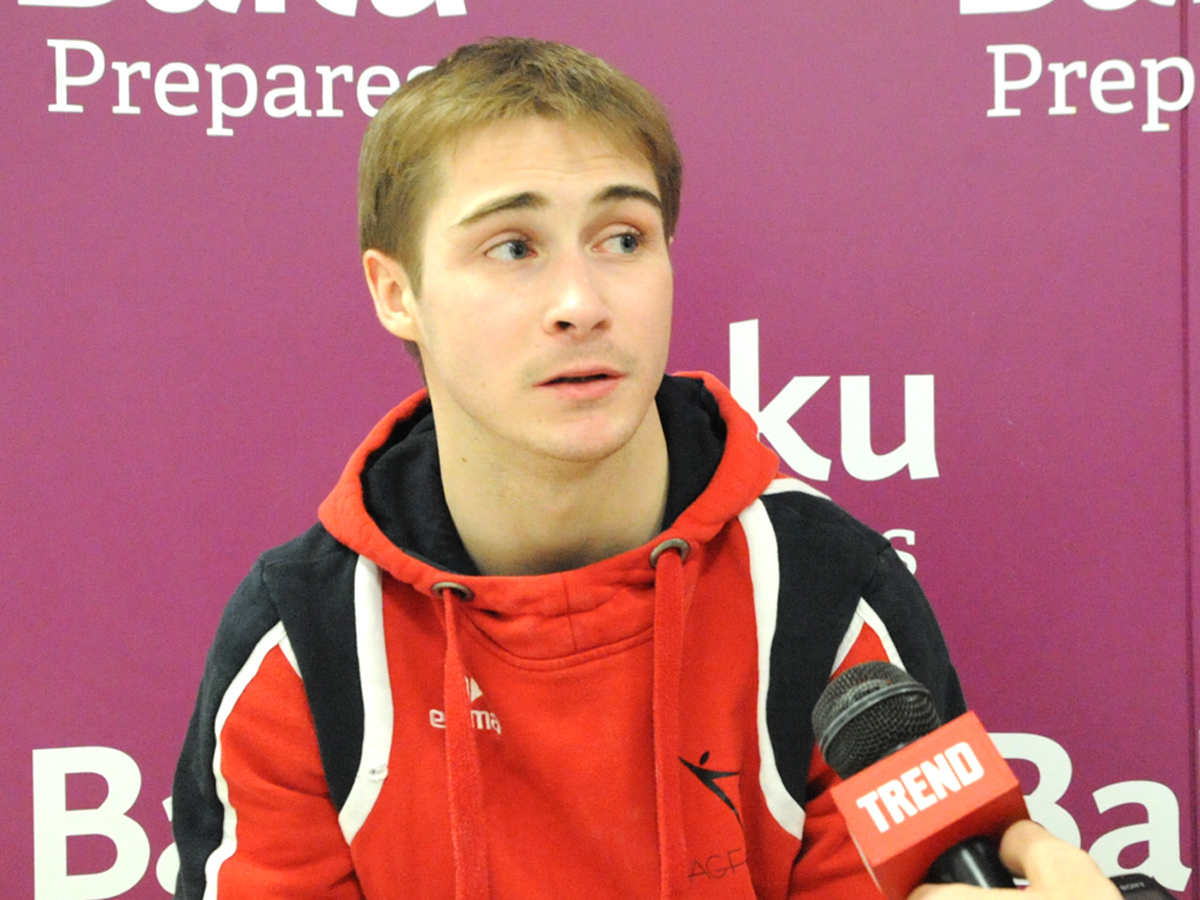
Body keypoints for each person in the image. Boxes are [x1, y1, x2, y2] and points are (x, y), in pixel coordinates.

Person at [171, 37, 1113, 900]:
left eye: (623, 238)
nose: (581, 302)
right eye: (513, 247)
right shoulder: (301, 640)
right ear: (396, 292)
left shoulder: (832, 595)